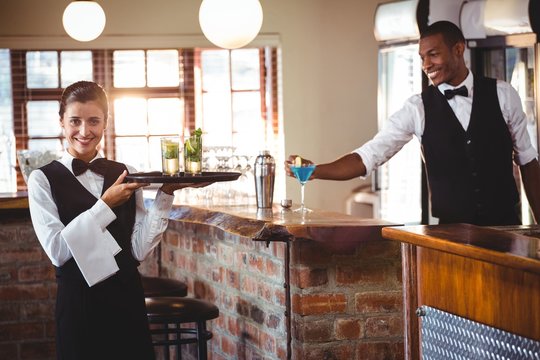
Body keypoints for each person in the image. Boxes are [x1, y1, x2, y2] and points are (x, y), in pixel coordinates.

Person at [287, 21, 540, 226]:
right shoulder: (416, 108)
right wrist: (314, 171)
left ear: (458, 50)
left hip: (507, 230)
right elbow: (367, 157)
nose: (426, 65)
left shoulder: (504, 95)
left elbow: (528, 162)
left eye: (433, 54)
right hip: (449, 239)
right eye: (421, 57)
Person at [27, 81, 207, 360]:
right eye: (75, 120)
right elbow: (59, 252)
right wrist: (105, 204)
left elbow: (137, 250)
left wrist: (166, 194)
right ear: (61, 121)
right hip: (79, 306)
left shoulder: (127, 173)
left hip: (126, 299)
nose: (84, 131)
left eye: (94, 121)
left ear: (106, 123)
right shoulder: (41, 180)